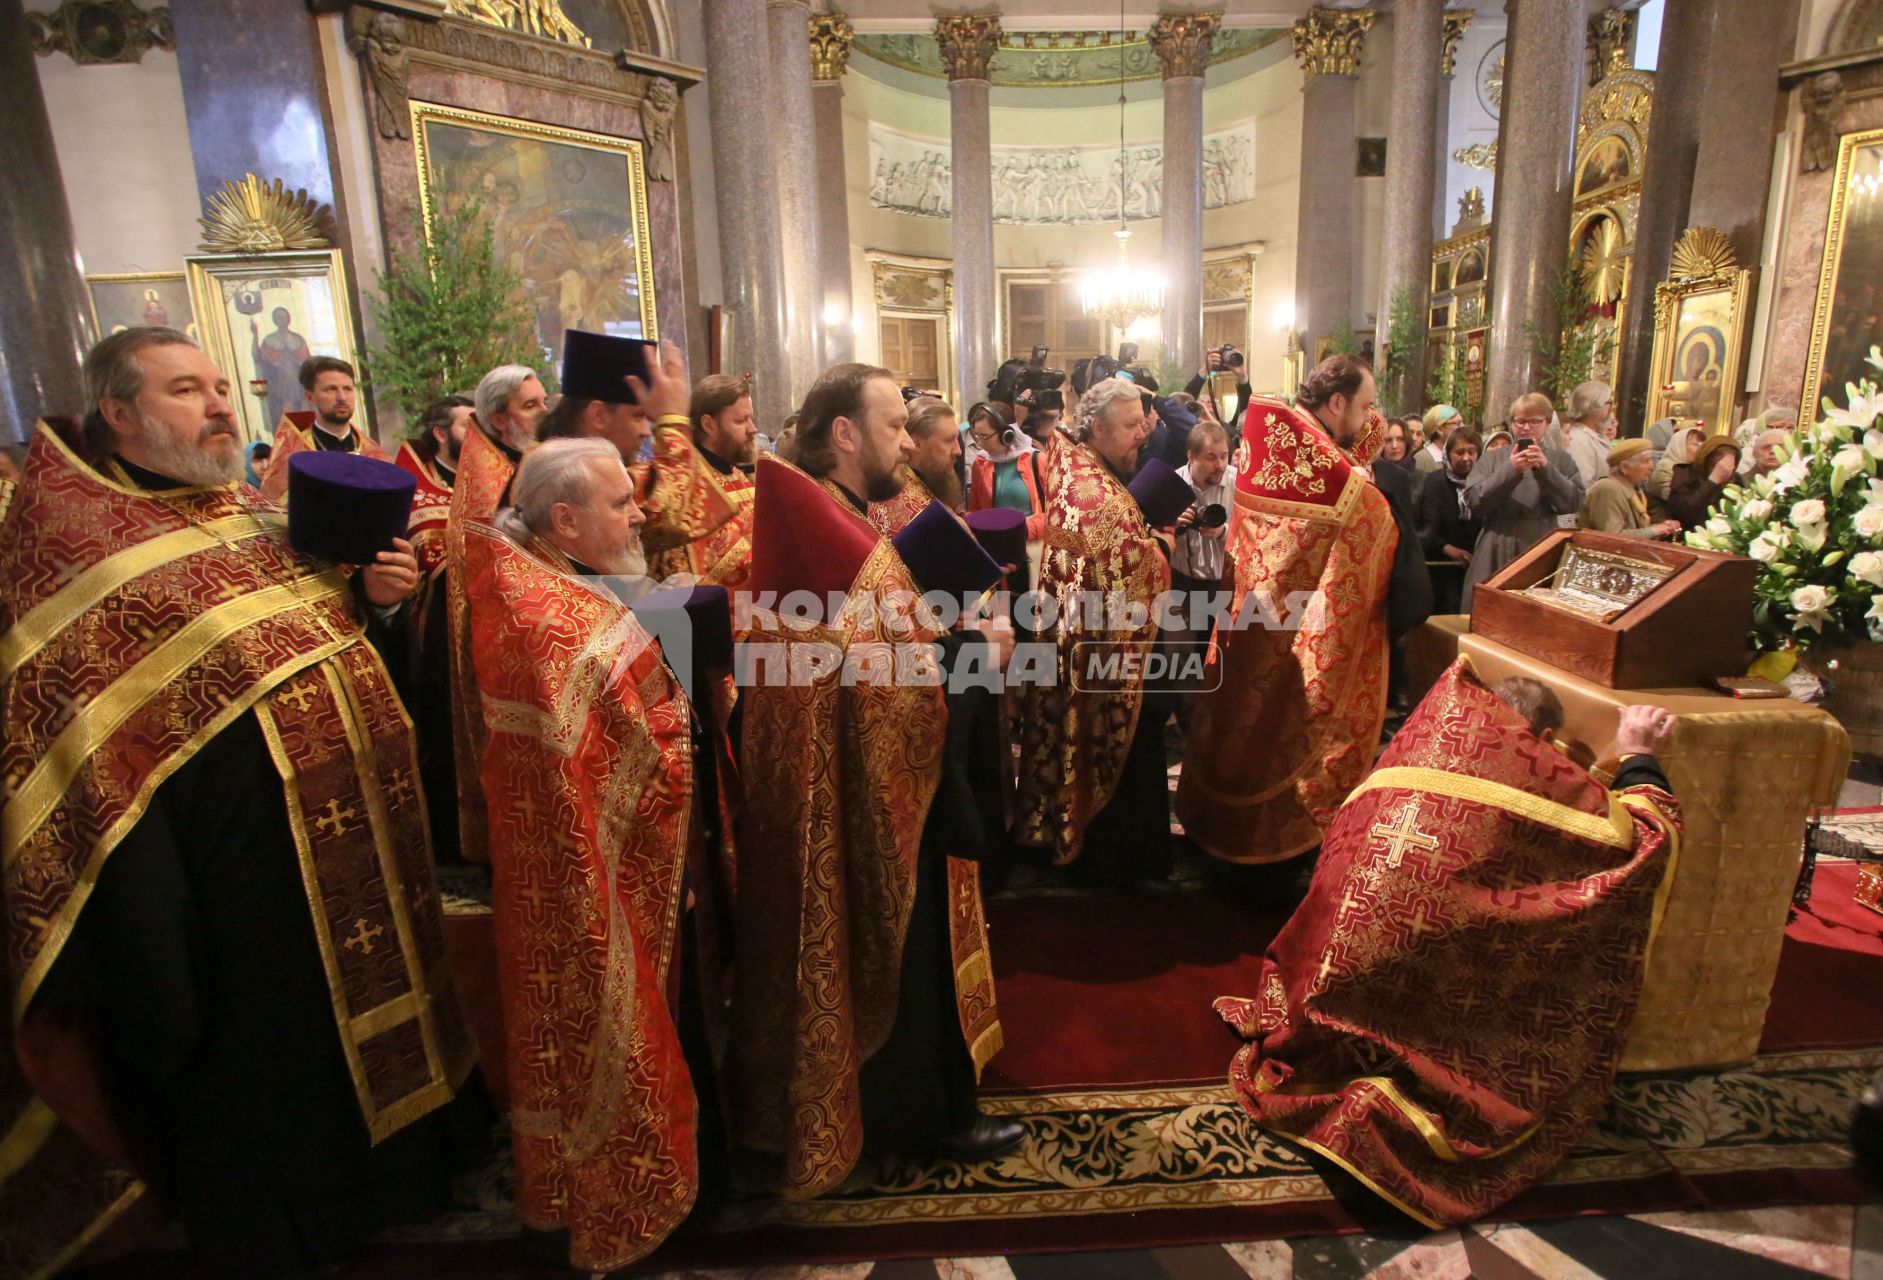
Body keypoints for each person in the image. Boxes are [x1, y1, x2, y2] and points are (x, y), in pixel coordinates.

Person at [2, 328, 480, 1278]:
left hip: (347, 842)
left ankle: (400, 1178)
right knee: (272, 1061)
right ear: (120, 415)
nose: (222, 405)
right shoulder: (75, 553)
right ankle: (293, 1217)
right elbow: (87, 748)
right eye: (188, 390)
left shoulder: (240, 516)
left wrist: (376, 605)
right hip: (228, 878)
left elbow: (313, 645)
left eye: (222, 386)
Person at [1214, 657, 1680, 1228]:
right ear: (1546, 739)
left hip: (1313, 991)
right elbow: (1643, 843)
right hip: (1410, 999)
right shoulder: (1529, 797)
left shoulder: (1409, 758)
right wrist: (1639, 757)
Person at [729, 363, 1015, 1201]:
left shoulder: (821, 512)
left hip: (849, 782)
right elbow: (901, 695)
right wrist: (979, 654)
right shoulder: (834, 534)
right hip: (878, 794)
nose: (907, 440)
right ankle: (919, 1120)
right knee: (905, 950)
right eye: (894, 425)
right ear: (844, 434)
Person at [463, 438, 706, 1272]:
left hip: (608, 850)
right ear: (564, 519)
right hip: (582, 870)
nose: (638, 511)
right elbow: (601, 752)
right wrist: (674, 734)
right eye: (618, 503)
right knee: (597, 1023)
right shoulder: (539, 613)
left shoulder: (544, 573)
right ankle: (605, 1192)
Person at [1178, 357, 1432, 900]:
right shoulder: (1330, 473)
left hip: (1247, 629)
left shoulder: (1275, 440)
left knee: (1241, 736)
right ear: (1336, 403)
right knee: (1279, 743)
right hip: (1287, 641)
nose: (1369, 420)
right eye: (1363, 407)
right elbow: (1372, 530)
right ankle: (1260, 874)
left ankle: (1223, 849)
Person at [1013, 377, 1178, 896]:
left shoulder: (1081, 468)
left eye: (1143, 425)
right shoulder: (1094, 492)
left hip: (1091, 646)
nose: (1140, 437)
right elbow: (1131, 570)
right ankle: (1121, 866)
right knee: (1128, 750)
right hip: (1104, 660)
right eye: (1131, 427)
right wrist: (1163, 550)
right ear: (1099, 427)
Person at [444, 363, 550, 865]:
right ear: (497, 417)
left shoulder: (518, 457)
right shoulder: (491, 478)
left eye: (542, 401)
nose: (544, 411)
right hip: (505, 637)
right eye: (531, 405)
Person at [1459, 393, 1584, 611]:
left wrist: (1546, 469)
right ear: (1512, 424)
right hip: (1496, 542)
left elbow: (1573, 503)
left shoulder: (1562, 461)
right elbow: (1475, 501)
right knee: (1487, 611)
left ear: (1546, 424)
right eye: (1521, 421)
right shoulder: (1492, 459)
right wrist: (1511, 469)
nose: (1527, 428)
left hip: (1541, 543)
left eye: (1535, 421)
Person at [635, 370, 758, 586]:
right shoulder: (683, 491)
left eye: (751, 418)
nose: (753, 429)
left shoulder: (741, 478)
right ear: (709, 424)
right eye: (741, 420)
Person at [259, 356, 389, 501]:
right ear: (310, 397)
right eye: (331, 389)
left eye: (347, 389)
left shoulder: (375, 454)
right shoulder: (292, 457)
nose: (342, 397)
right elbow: (275, 512)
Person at [869, 395, 961, 534]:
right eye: (949, 440)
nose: (958, 451)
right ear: (916, 444)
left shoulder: (932, 478)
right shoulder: (896, 501)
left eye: (957, 438)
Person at [1417, 426, 1483, 615]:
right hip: (1441, 567)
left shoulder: (1484, 482)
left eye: (1471, 452)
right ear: (1448, 453)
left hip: (1474, 565)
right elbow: (1428, 525)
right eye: (1459, 452)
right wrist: (1449, 549)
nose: (1466, 458)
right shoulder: (1436, 481)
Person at [966, 400, 1047, 538]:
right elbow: (975, 510)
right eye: (977, 436)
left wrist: (1023, 531)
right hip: (995, 549)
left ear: (1007, 434)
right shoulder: (980, 463)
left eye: (984, 436)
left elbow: (1059, 514)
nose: (979, 443)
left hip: (1031, 546)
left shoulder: (1038, 460)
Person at [1580, 438, 1683, 540]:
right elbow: (1611, 537)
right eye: (1646, 461)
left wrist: (1663, 528)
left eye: (1651, 460)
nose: (1651, 466)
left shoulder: (1632, 488)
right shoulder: (1608, 488)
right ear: (1624, 467)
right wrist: (1655, 530)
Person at [1662, 437, 1741, 531]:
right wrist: (1713, 481)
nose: (1726, 473)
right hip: (1687, 535)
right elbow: (1684, 513)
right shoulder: (1684, 475)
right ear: (1706, 462)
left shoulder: (1736, 480)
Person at [1561, 380, 1616, 491]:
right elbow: (1584, 484)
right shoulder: (1578, 440)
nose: (1611, 408)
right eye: (1608, 402)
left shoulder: (1598, 435)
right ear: (1592, 407)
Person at [1648, 422, 1707, 505]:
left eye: (1702, 445)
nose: (1701, 449)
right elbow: (1679, 503)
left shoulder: (1696, 469)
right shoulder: (1665, 468)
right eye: (1696, 444)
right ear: (1680, 446)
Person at [1416, 404, 1461, 473]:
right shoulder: (1422, 459)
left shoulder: (1458, 457)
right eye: (1457, 423)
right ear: (1440, 429)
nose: (1462, 427)